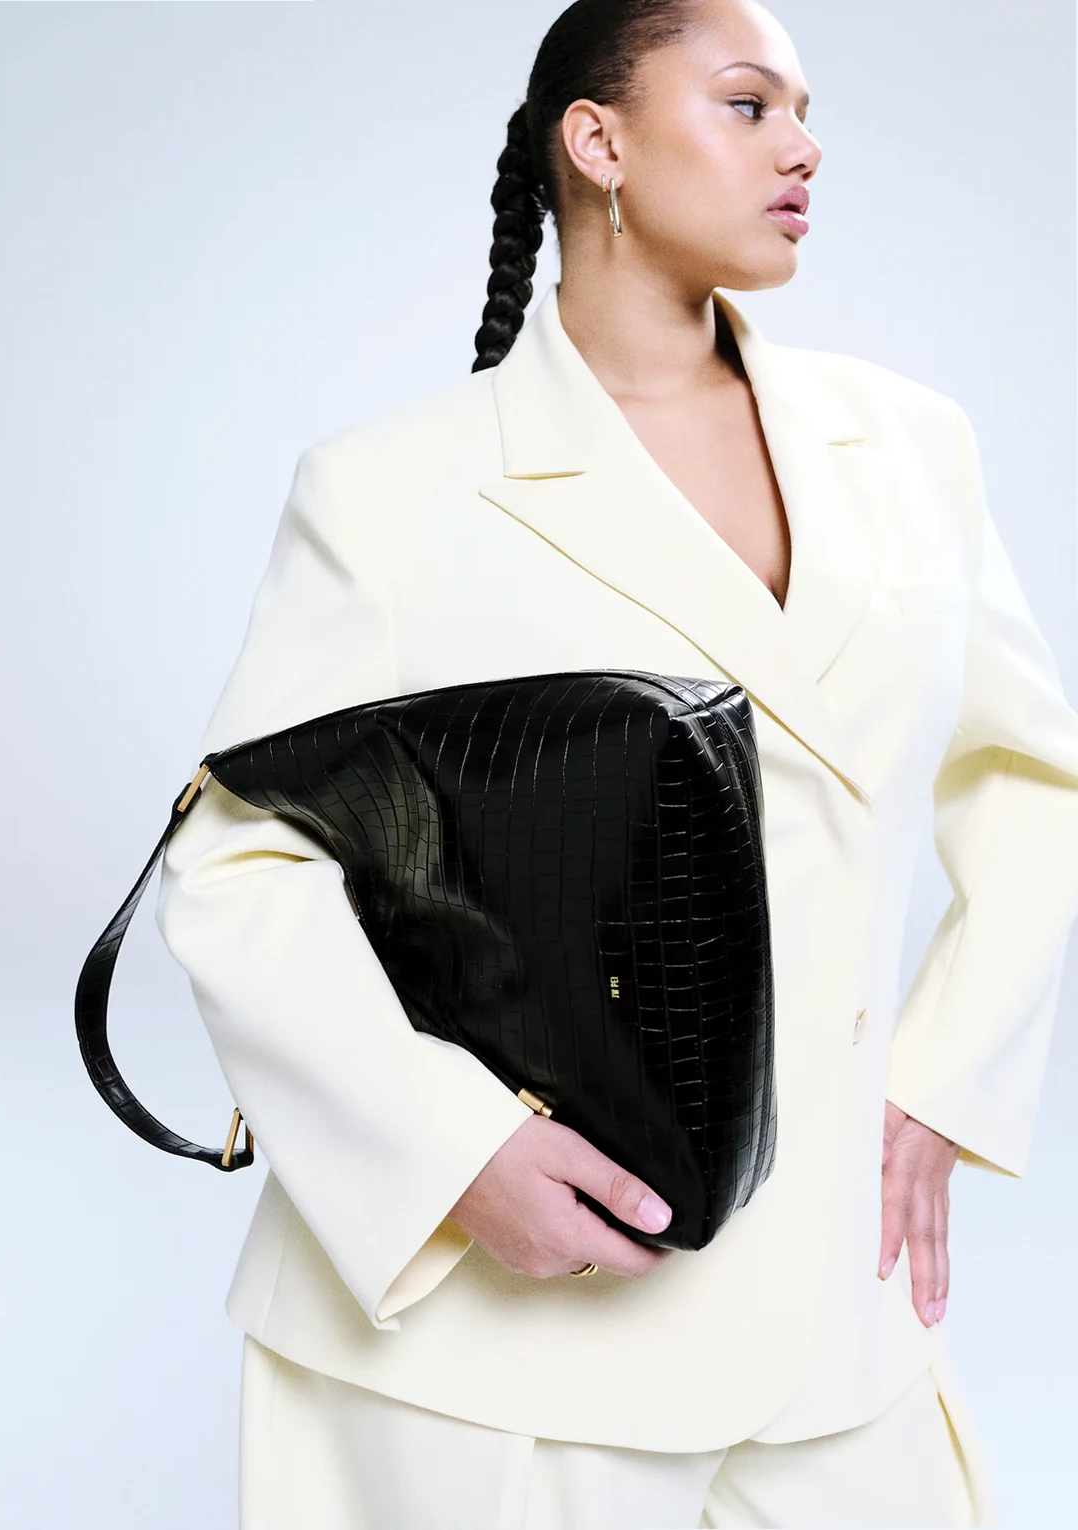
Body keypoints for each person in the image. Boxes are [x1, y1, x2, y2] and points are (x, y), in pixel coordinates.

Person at [155, 1, 1078, 1525]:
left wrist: (945, 1081)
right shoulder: (392, 488)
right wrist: (453, 1155)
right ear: (597, 141)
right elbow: (240, 861)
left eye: (808, 111)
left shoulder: (913, 446)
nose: (805, 146)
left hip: (842, 1328)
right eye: (750, 104)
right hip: (499, 1354)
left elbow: (1034, 778)